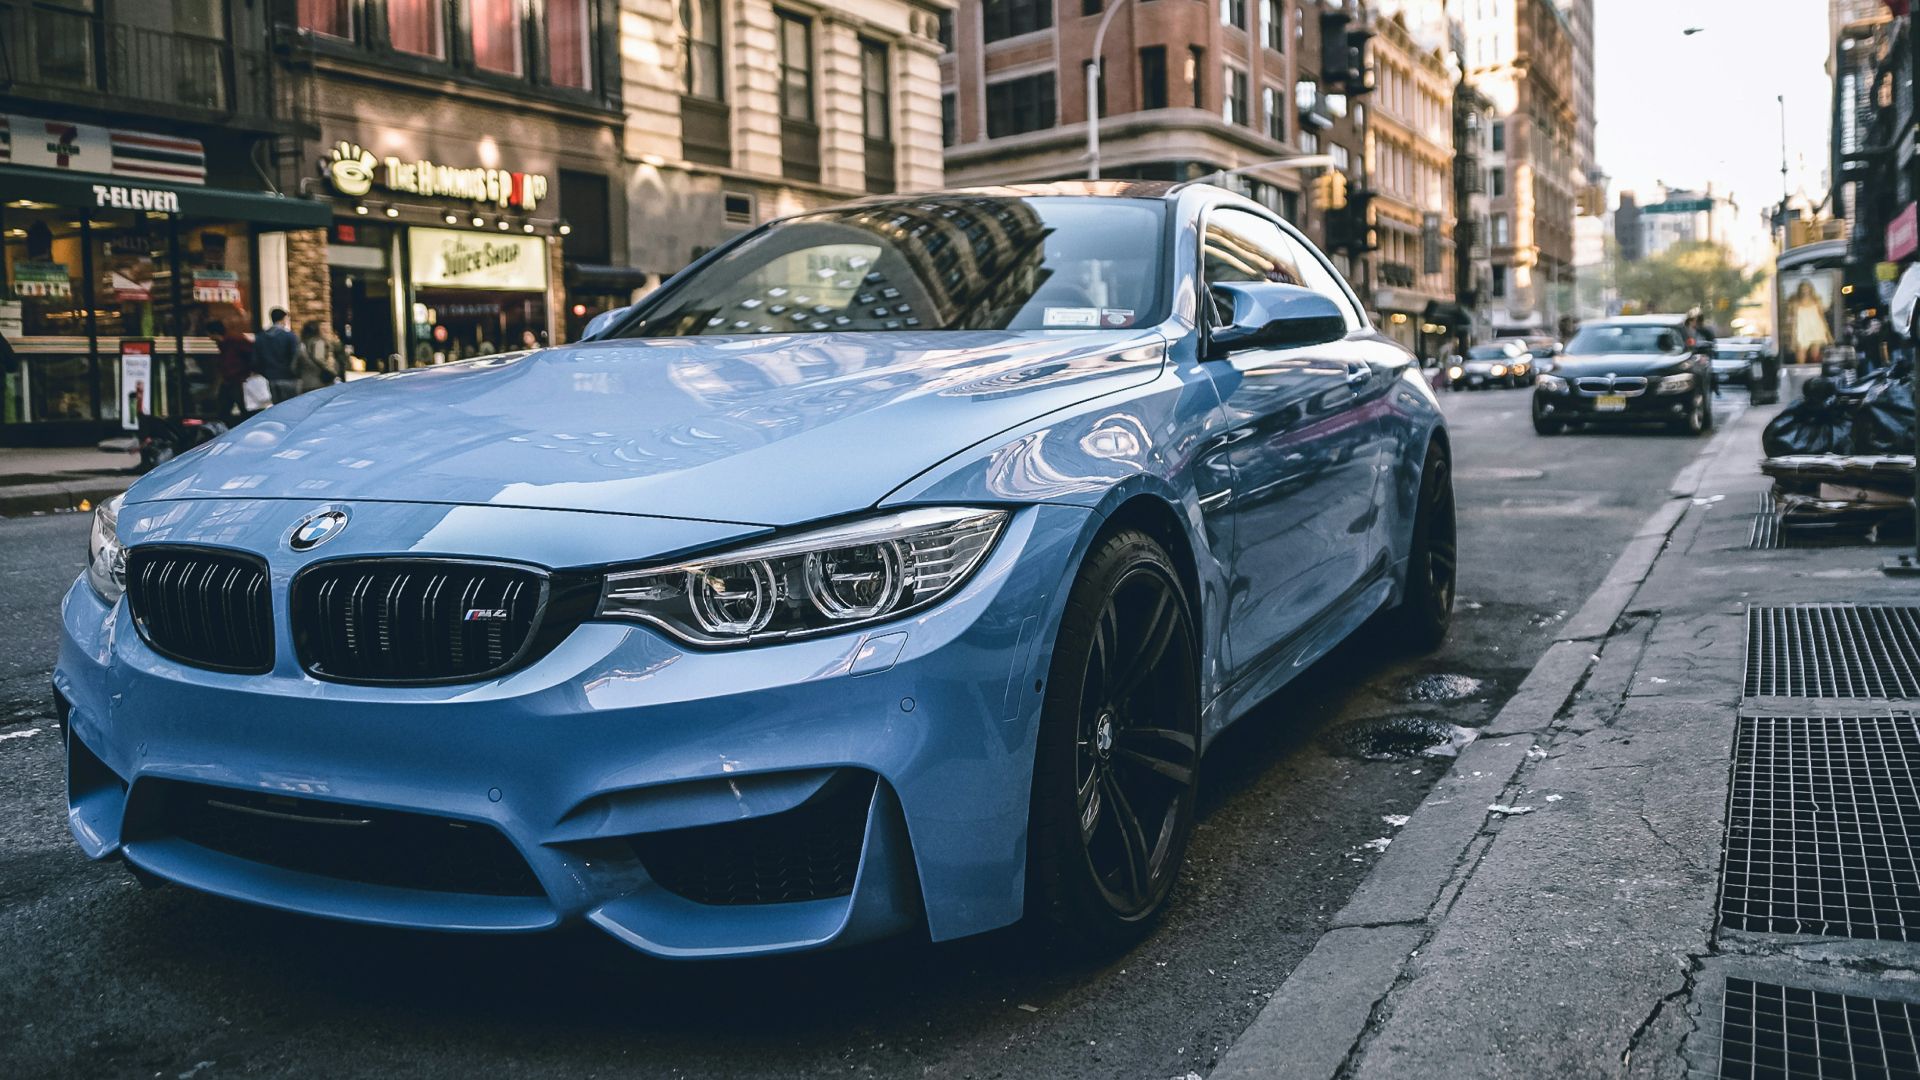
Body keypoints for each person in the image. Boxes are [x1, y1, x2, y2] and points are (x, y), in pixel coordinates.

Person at [207, 319, 253, 421]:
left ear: (214, 333)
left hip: (238, 379)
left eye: (210, 334)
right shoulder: (224, 343)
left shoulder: (234, 340)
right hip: (230, 380)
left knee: (241, 408)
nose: (209, 338)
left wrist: (246, 373)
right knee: (225, 409)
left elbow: (251, 355)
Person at [255, 307, 301, 402]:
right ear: (284, 319)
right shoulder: (289, 336)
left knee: (277, 408)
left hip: (271, 378)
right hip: (288, 378)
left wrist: (265, 373)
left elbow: (255, 359)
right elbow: (296, 357)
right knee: (292, 407)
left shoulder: (261, 337)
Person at [295, 320, 342, 393]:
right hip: (320, 383)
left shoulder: (301, 345)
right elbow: (319, 359)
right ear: (317, 330)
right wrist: (332, 372)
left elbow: (294, 366)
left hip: (305, 383)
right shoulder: (318, 342)